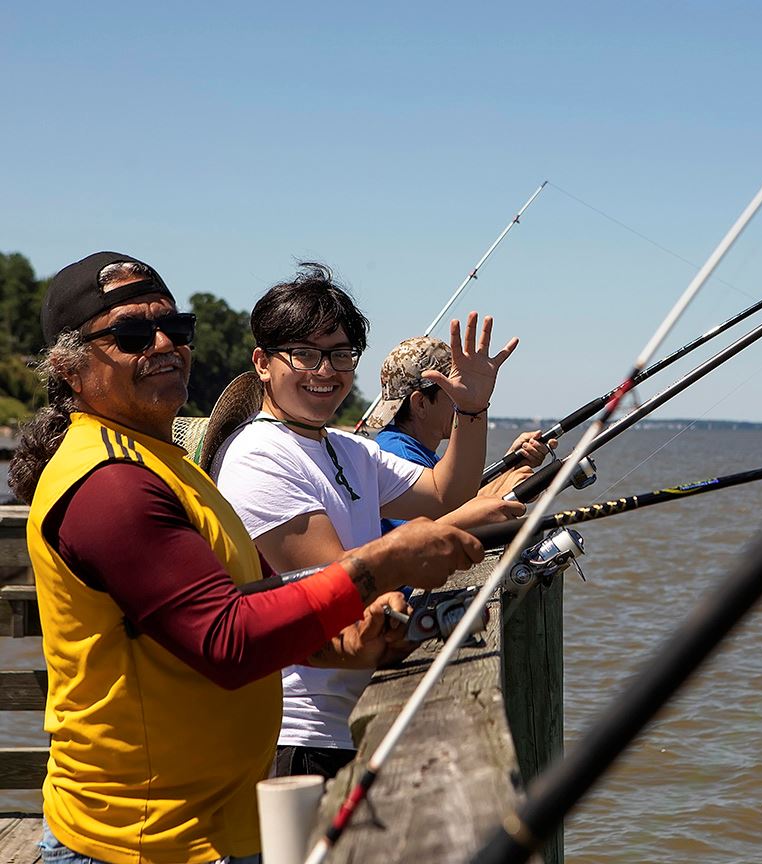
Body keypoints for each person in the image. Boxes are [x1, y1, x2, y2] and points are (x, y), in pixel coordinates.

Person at [9, 251, 482, 864]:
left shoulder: (165, 465)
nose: (162, 344)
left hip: (214, 823)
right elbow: (227, 641)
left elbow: (240, 602)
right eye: (129, 333)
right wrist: (381, 564)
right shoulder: (109, 483)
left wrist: (336, 645)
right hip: (140, 842)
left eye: (175, 328)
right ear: (70, 367)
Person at [212, 263, 525, 779]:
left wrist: (471, 409)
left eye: (340, 355)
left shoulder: (347, 449)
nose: (325, 370)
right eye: (305, 354)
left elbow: (447, 492)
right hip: (297, 732)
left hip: (354, 708)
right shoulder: (258, 454)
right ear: (263, 363)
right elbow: (339, 585)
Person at [366, 335, 558, 534]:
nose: (463, 400)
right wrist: (501, 493)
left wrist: (510, 465)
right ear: (421, 404)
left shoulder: (409, 447)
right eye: (456, 392)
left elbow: (454, 504)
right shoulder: (400, 457)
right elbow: (422, 537)